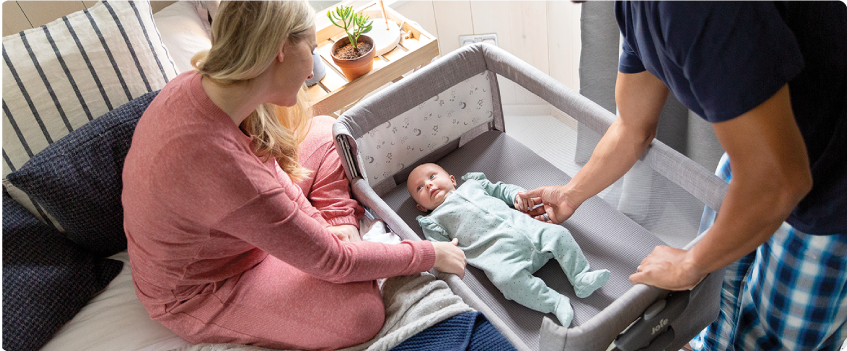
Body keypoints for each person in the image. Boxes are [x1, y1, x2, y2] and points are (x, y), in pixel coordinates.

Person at [120, 0, 467, 349]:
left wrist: (334, 224)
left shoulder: (204, 86)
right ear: (282, 50)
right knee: (362, 313)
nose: (312, 71)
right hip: (206, 286)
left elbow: (270, 171)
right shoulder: (222, 166)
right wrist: (428, 254)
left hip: (229, 218)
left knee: (326, 130)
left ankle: (341, 223)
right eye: (313, 49)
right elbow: (334, 260)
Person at [521, 1, 846, 350]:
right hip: (758, 153)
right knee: (716, 297)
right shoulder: (636, 10)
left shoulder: (691, 8)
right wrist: (571, 194)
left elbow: (779, 181)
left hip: (832, 188)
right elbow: (633, 127)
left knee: (768, 339)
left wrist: (689, 264)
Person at [407, 163, 610, 327]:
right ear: (421, 206)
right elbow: (440, 251)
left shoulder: (473, 184)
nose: (428, 185)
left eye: (432, 176)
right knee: (507, 281)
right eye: (419, 188)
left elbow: (502, 189)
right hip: (500, 256)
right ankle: (555, 303)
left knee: (560, 234)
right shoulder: (434, 221)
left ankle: (580, 277)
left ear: (452, 180)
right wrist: (446, 253)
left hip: (529, 230)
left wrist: (517, 196)